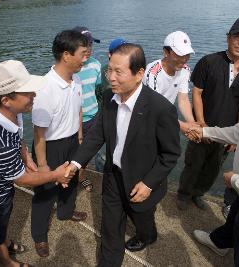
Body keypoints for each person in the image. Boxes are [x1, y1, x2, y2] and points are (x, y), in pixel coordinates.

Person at [65, 43, 181, 266]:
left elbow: (171, 154)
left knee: (142, 219)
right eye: (109, 70)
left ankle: (148, 235)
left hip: (141, 181)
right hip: (112, 176)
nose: (111, 78)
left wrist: (148, 184)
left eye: (119, 72)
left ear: (139, 74)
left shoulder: (161, 109)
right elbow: (98, 133)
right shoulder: (109, 97)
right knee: (110, 228)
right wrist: (76, 162)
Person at [0, 60, 71, 267]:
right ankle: (7, 262)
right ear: (6, 99)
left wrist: (27, 158)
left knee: (1, 224)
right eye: (28, 92)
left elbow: (18, 136)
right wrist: (55, 175)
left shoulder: (8, 111)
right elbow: (21, 179)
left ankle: (5, 241)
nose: (34, 95)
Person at [177, 17, 239, 211]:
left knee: (213, 168)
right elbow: (196, 92)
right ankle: (183, 194)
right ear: (228, 37)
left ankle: (199, 194)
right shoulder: (209, 61)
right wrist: (201, 123)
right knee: (193, 163)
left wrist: (238, 135)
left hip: (229, 131)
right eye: (237, 36)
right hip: (203, 127)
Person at [189, 65, 239, 267]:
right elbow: (235, 133)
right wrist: (204, 132)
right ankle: (220, 242)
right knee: (235, 216)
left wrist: (232, 179)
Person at [31, 30, 89, 257]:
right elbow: (39, 133)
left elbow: (78, 110)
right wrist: (43, 165)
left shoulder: (75, 79)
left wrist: (80, 137)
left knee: (71, 181)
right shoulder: (46, 88)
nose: (86, 58)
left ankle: (65, 212)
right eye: (83, 54)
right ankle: (39, 236)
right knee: (45, 192)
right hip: (51, 145)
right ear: (66, 55)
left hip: (73, 139)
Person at [143, 31, 198, 135]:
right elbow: (154, 108)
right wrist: (182, 126)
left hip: (166, 118)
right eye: (179, 54)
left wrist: (191, 124)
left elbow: (183, 99)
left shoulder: (185, 69)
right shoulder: (153, 73)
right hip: (146, 119)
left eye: (187, 55)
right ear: (166, 52)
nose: (184, 59)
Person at [73, 26, 102, 192]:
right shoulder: (69, 67)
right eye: (85, 45)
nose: (89, 49)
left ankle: (81, 176)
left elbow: (96, 90)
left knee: (86, 152)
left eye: (91, 44)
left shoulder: (96, 65)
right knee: (70, 151)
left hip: (92, 117)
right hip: (72, 120)